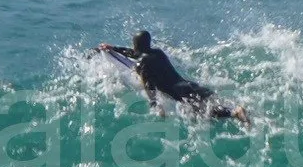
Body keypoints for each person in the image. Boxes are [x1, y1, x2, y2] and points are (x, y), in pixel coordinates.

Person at [97, 30, 248, 124]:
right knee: (214, 103)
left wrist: (155, 104)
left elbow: (148, 85)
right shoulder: (157, 52)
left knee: (204, 113)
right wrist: (114, 48)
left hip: (180, 93)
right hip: (190, 85)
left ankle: (234, 113)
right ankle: (237, 110)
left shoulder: (142, 62)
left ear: (136, 45)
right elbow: (136, 53)